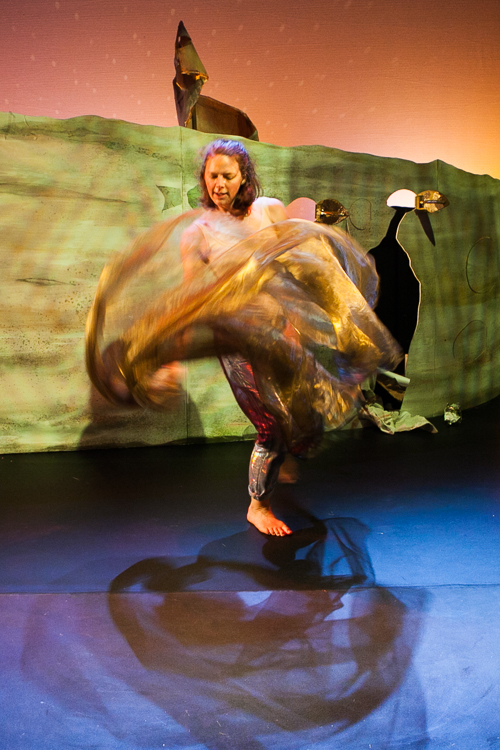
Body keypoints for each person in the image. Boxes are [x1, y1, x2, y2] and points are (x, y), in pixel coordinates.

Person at [86, 139, 401, 537]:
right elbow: (192, 302)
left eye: (227, 176)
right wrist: (174, 358)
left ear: (243, 177)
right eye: (212, 176)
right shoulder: (198, 233)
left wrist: (302, 322)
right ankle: (258, 506)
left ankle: (286, 452)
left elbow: (294, 267)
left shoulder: (269, 210)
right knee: (271, 425)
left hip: (279, 331)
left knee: (303, 416)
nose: (219, 184)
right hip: (237, 342)